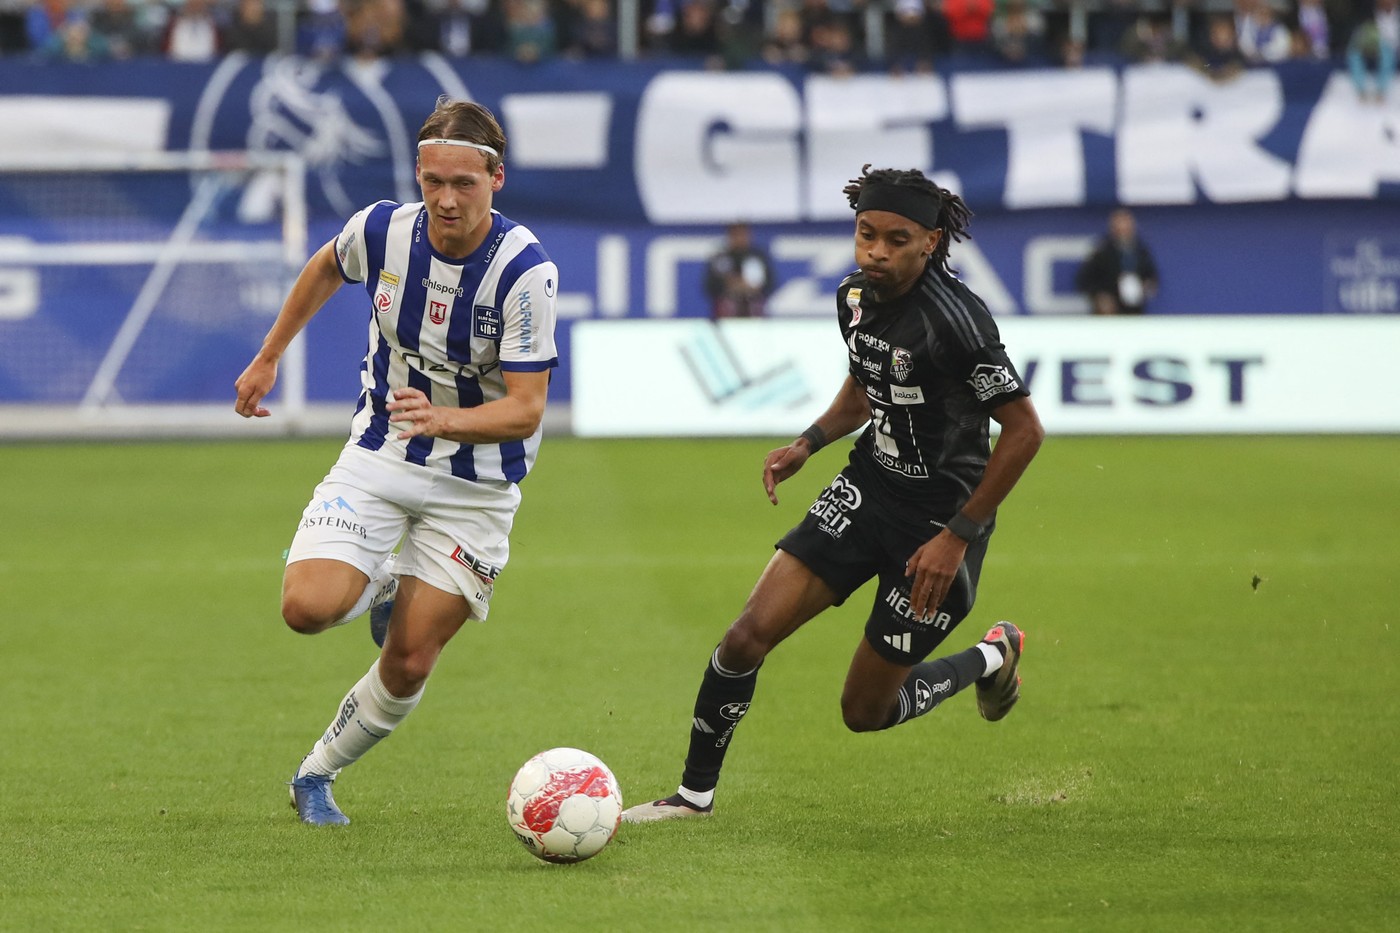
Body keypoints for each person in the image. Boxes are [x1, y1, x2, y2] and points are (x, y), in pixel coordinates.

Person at [622, 166, 1044, 823]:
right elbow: (862, 386)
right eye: (865, 234)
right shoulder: (853, 296)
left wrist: (956, 534)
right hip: (867, 488)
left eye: (895, 239)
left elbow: (1023, 431)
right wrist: (808, 442)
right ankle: (692, 796)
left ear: (931, 242)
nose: (875, 251)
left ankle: (995, 653)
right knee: (743, 638)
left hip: (938, 524)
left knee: (864, 712)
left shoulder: (958, 321)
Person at [233, 98, 559, 826]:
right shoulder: (382, 229)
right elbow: (326, 265)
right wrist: (269, 355)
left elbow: (528, 407)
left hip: (476, 487)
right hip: (382, 451)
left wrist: (446, 418)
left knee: (410, 658)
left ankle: (315, 774)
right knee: (305, 609)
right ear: (418, 171)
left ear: (496, 178)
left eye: (464, 184)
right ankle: (379, 574)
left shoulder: (524, 270)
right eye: (434, 180)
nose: (446, 199)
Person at [1075, 207, 1159, 315]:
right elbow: (1084, 280)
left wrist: (1147, 285)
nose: (1123, 228)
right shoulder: (1102, 251)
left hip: (1134, 311)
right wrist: (1099, 297)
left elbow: (1151, 275)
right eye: (1119, 225)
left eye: (1126, 224)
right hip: (1109, 313)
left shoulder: (1141, 250)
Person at [704, 221, 774, 319]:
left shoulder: (757, 257)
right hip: (726, 314)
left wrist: (750, 287)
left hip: (754, 314)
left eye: (743, 234)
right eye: (736, 234)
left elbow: (770, 283)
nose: (739, 238)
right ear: (729, 236)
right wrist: (730, 285)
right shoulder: (721, 257)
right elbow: (709, 286)